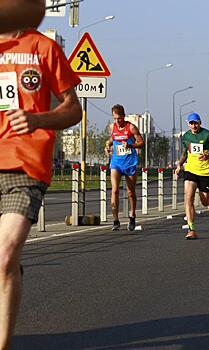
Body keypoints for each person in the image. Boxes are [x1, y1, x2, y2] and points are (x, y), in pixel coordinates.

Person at [0, 27, 82, 348]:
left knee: (5, 256)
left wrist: (39, 119)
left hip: (26, 163)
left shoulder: (43, 47)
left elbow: (73, 108)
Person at [176, 112, 209, 240]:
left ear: (200, 122)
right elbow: (185, 152)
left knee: (204, 200)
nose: (194, 125)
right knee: (188, 198)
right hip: (190, 170)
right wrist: (179, 164)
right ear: (188, 124)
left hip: (205, 171)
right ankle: (191, 229)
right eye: (191, 123)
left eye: (196, 123)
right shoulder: (186, 136)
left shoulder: (207, 134)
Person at [105, 104, 144, 232]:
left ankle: (132, 215)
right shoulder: (113, 127)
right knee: (114, 190)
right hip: (116, 163)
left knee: (130, 192)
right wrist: (107, 146)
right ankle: (115, 220)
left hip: (130, 163)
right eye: (114, 118)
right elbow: (111, 139)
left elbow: (141, 142)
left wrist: (131, 145)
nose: (117, 121)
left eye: (119, 118)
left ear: (123, 116)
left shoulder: (131, 127)